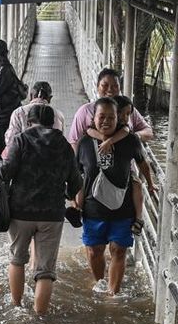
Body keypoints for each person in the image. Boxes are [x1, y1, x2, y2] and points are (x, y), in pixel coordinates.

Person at [0, 104, 82, 314]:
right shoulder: (62, 143)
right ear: (53, 122)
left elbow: (5, 173)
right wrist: (68, 196)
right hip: (52, 215)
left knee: (17, 259)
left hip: (20, 212)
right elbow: (76, 182)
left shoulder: (21, 140)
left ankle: (17, 308)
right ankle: (40, 316)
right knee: (45, 271)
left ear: (28, 121)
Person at [75, 97, 146, 295]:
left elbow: (142, 163)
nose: (106, 121)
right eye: (101, 116)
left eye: (111, 117)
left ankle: (112, 293)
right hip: (92, 209)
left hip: (122, 209)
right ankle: (99, 283)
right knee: (95, 251)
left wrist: (151, 183)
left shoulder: (130, 140)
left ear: (118, 119)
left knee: (119, 250)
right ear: (94, 117)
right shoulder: (85, 142)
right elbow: (76, 173)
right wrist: (74, 200)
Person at [79, 94, 157, 234]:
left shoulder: (127, 134)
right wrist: (104, 137)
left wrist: (108, 140)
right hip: (94, 208)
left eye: (128, 114)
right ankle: (78, 208)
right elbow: (89, 130)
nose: (126, 118)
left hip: (123, 181)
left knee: (136, 184)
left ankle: (138, 218)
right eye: (123, 113)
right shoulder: (86, 139)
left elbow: (142, 161)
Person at [67, 68, 154, 150]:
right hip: (94, 163)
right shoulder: (85, 111)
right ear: (97, 87)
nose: (110, 90)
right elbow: (74, 141)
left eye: (115, 86)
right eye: (105, 85)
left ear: (120, 88)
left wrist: (132, 137)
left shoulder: (127, 110)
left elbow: (148, 132)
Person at [1, 81, 65, 159]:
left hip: (23, 161)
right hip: (50, 162)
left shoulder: (19, 112)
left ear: (31, 96)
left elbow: (11, 141)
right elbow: (60, 143)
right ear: (50, 98)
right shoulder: (58, 115)